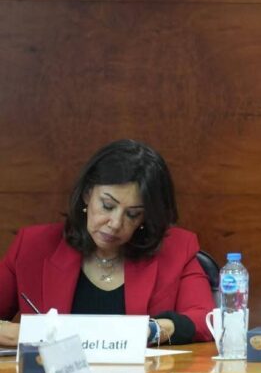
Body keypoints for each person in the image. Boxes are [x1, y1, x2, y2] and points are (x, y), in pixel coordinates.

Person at [0, 139, 214, 346]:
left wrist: (155, 330)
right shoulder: (33, 247)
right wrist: (26, 333)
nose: (115, 223)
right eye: (107, 206)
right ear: (87, 194)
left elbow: (206, 320)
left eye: (132, 214)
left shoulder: (176, 249)